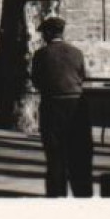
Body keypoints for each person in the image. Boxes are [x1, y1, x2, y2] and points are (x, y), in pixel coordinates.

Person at [30, 15, 93, 198]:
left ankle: (57, 195)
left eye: (44, 33)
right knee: (79, 153)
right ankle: (82, 194)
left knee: (55, 154)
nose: (43, 37)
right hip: (77, 105)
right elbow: (82, 76)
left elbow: (36, 80)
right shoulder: (77, 52)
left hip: (53, 105)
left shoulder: (41, 54)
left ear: (49, 33)